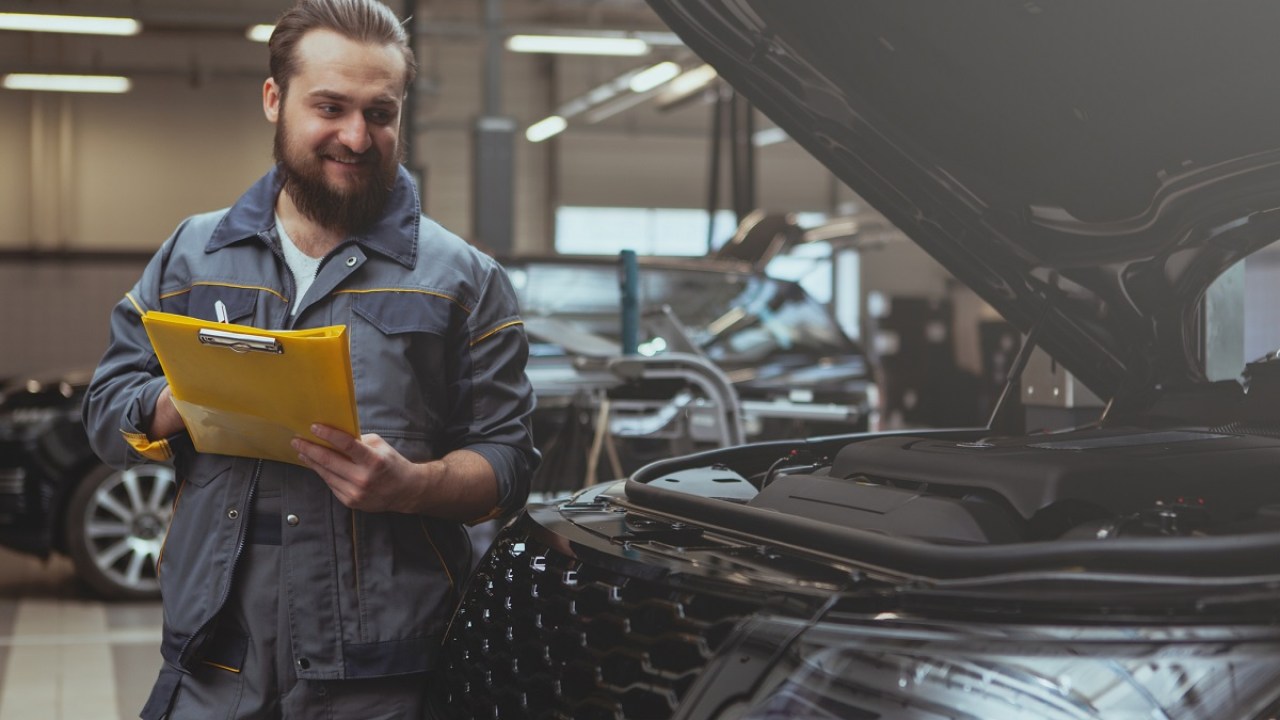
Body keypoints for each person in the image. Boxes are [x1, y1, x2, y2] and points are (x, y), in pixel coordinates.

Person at [82, 0, 538, 716]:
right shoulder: (192, 258)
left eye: (380, 113)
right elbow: (106, 415)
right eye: (330, 106)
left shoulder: (464, 280)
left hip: (383, 671)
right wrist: (181, 401)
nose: (356, 136)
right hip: (214, 655)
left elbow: (509, 462)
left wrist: (412, 486)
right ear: (275, 99)